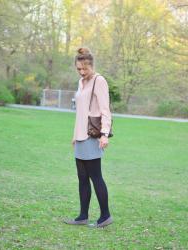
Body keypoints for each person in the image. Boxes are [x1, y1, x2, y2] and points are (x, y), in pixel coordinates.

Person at [64, 47, 113, 228]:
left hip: (93, 136)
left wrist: (105, 134)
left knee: (96, 177)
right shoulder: (81, 82)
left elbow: (105, 110)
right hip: (80, 137)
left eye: (85, 68)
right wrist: (74, 135)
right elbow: (81, 111)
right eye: (79, 69)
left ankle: (105, 216)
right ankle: (83, 216)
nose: (82, 72)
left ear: (91, 65)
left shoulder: (99, 81)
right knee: (82, 178)